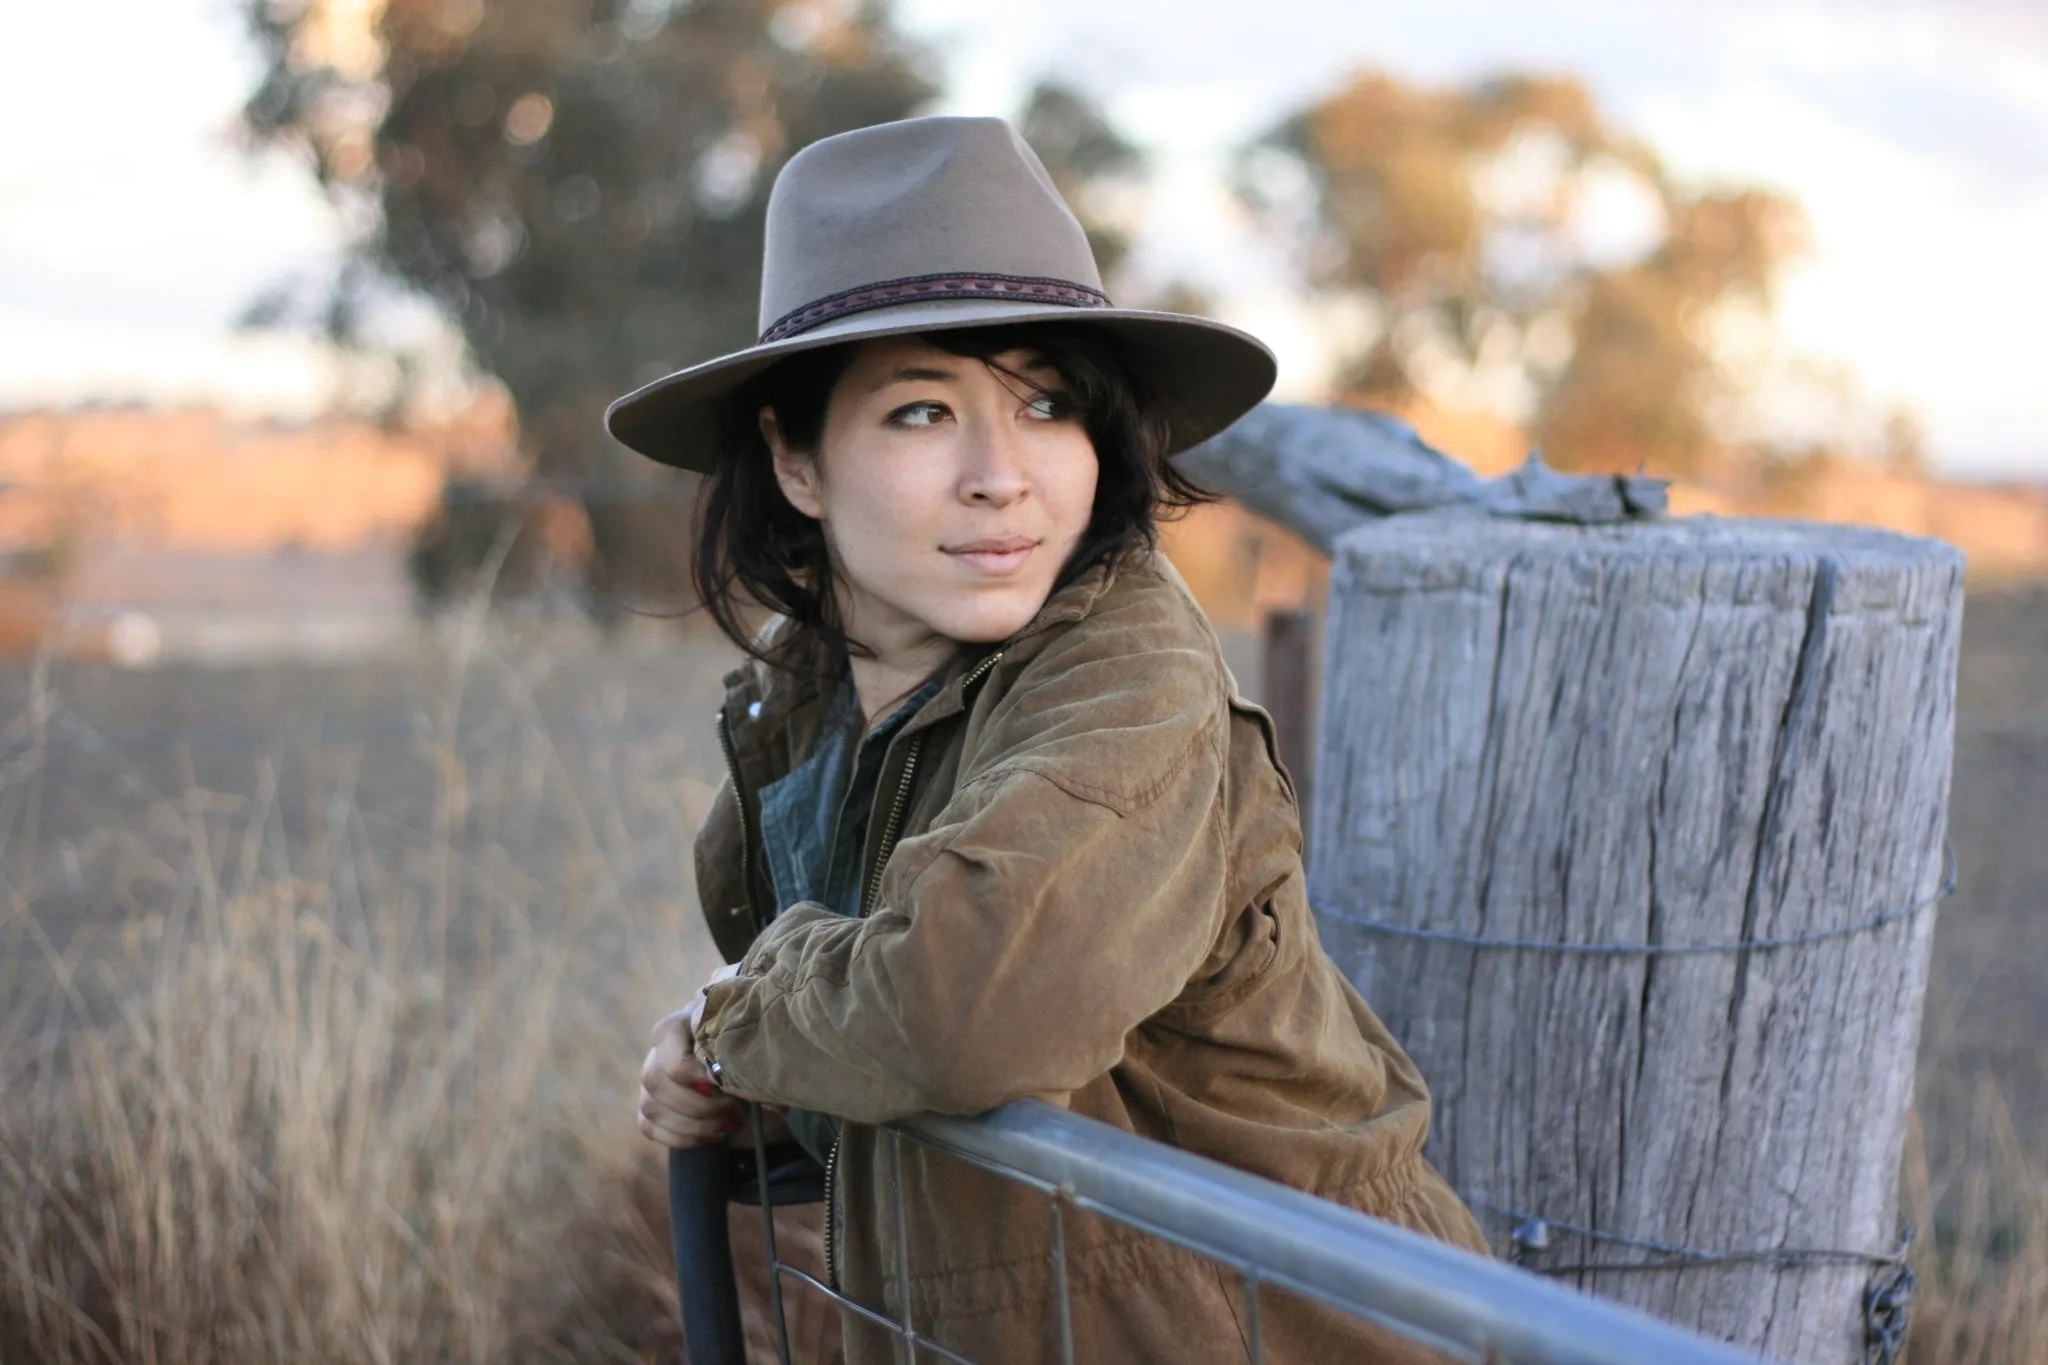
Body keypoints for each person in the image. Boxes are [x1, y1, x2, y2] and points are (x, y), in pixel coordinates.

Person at [622, 115, 1486, 1364]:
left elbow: (963, 1016)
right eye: (921, 413)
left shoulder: (1127, 681)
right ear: (795, 460)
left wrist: (736, 1018)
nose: (1001, 475)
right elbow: (901, 1071)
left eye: (1043, 403)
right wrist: (744, 1094)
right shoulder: (804, 720)